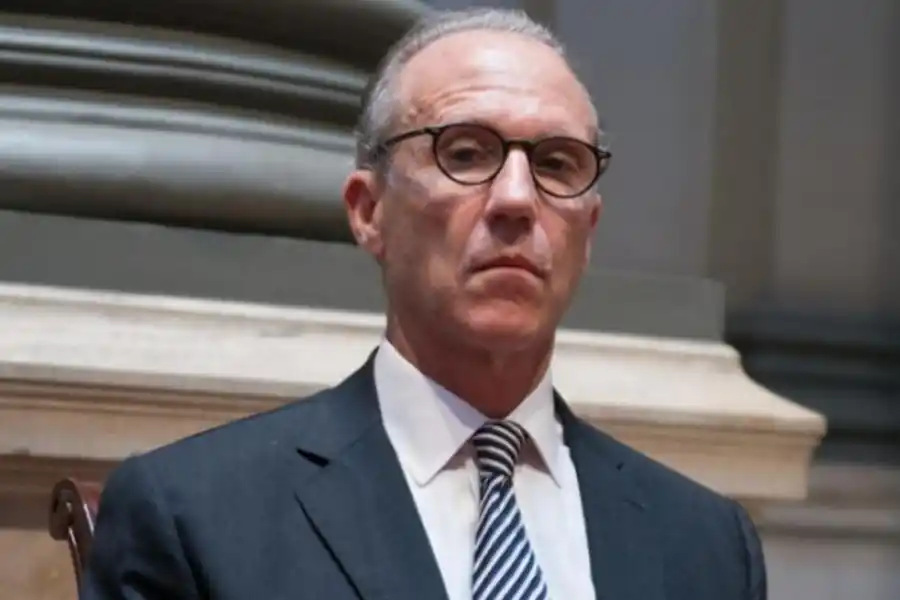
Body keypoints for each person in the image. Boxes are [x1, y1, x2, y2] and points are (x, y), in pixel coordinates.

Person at [82, 7, 766, 600]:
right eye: (465, 153)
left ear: (587, 233)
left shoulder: (705, 545)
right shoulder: (195, 515)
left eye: (557, 164)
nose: (517, 200)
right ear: (369, 211)